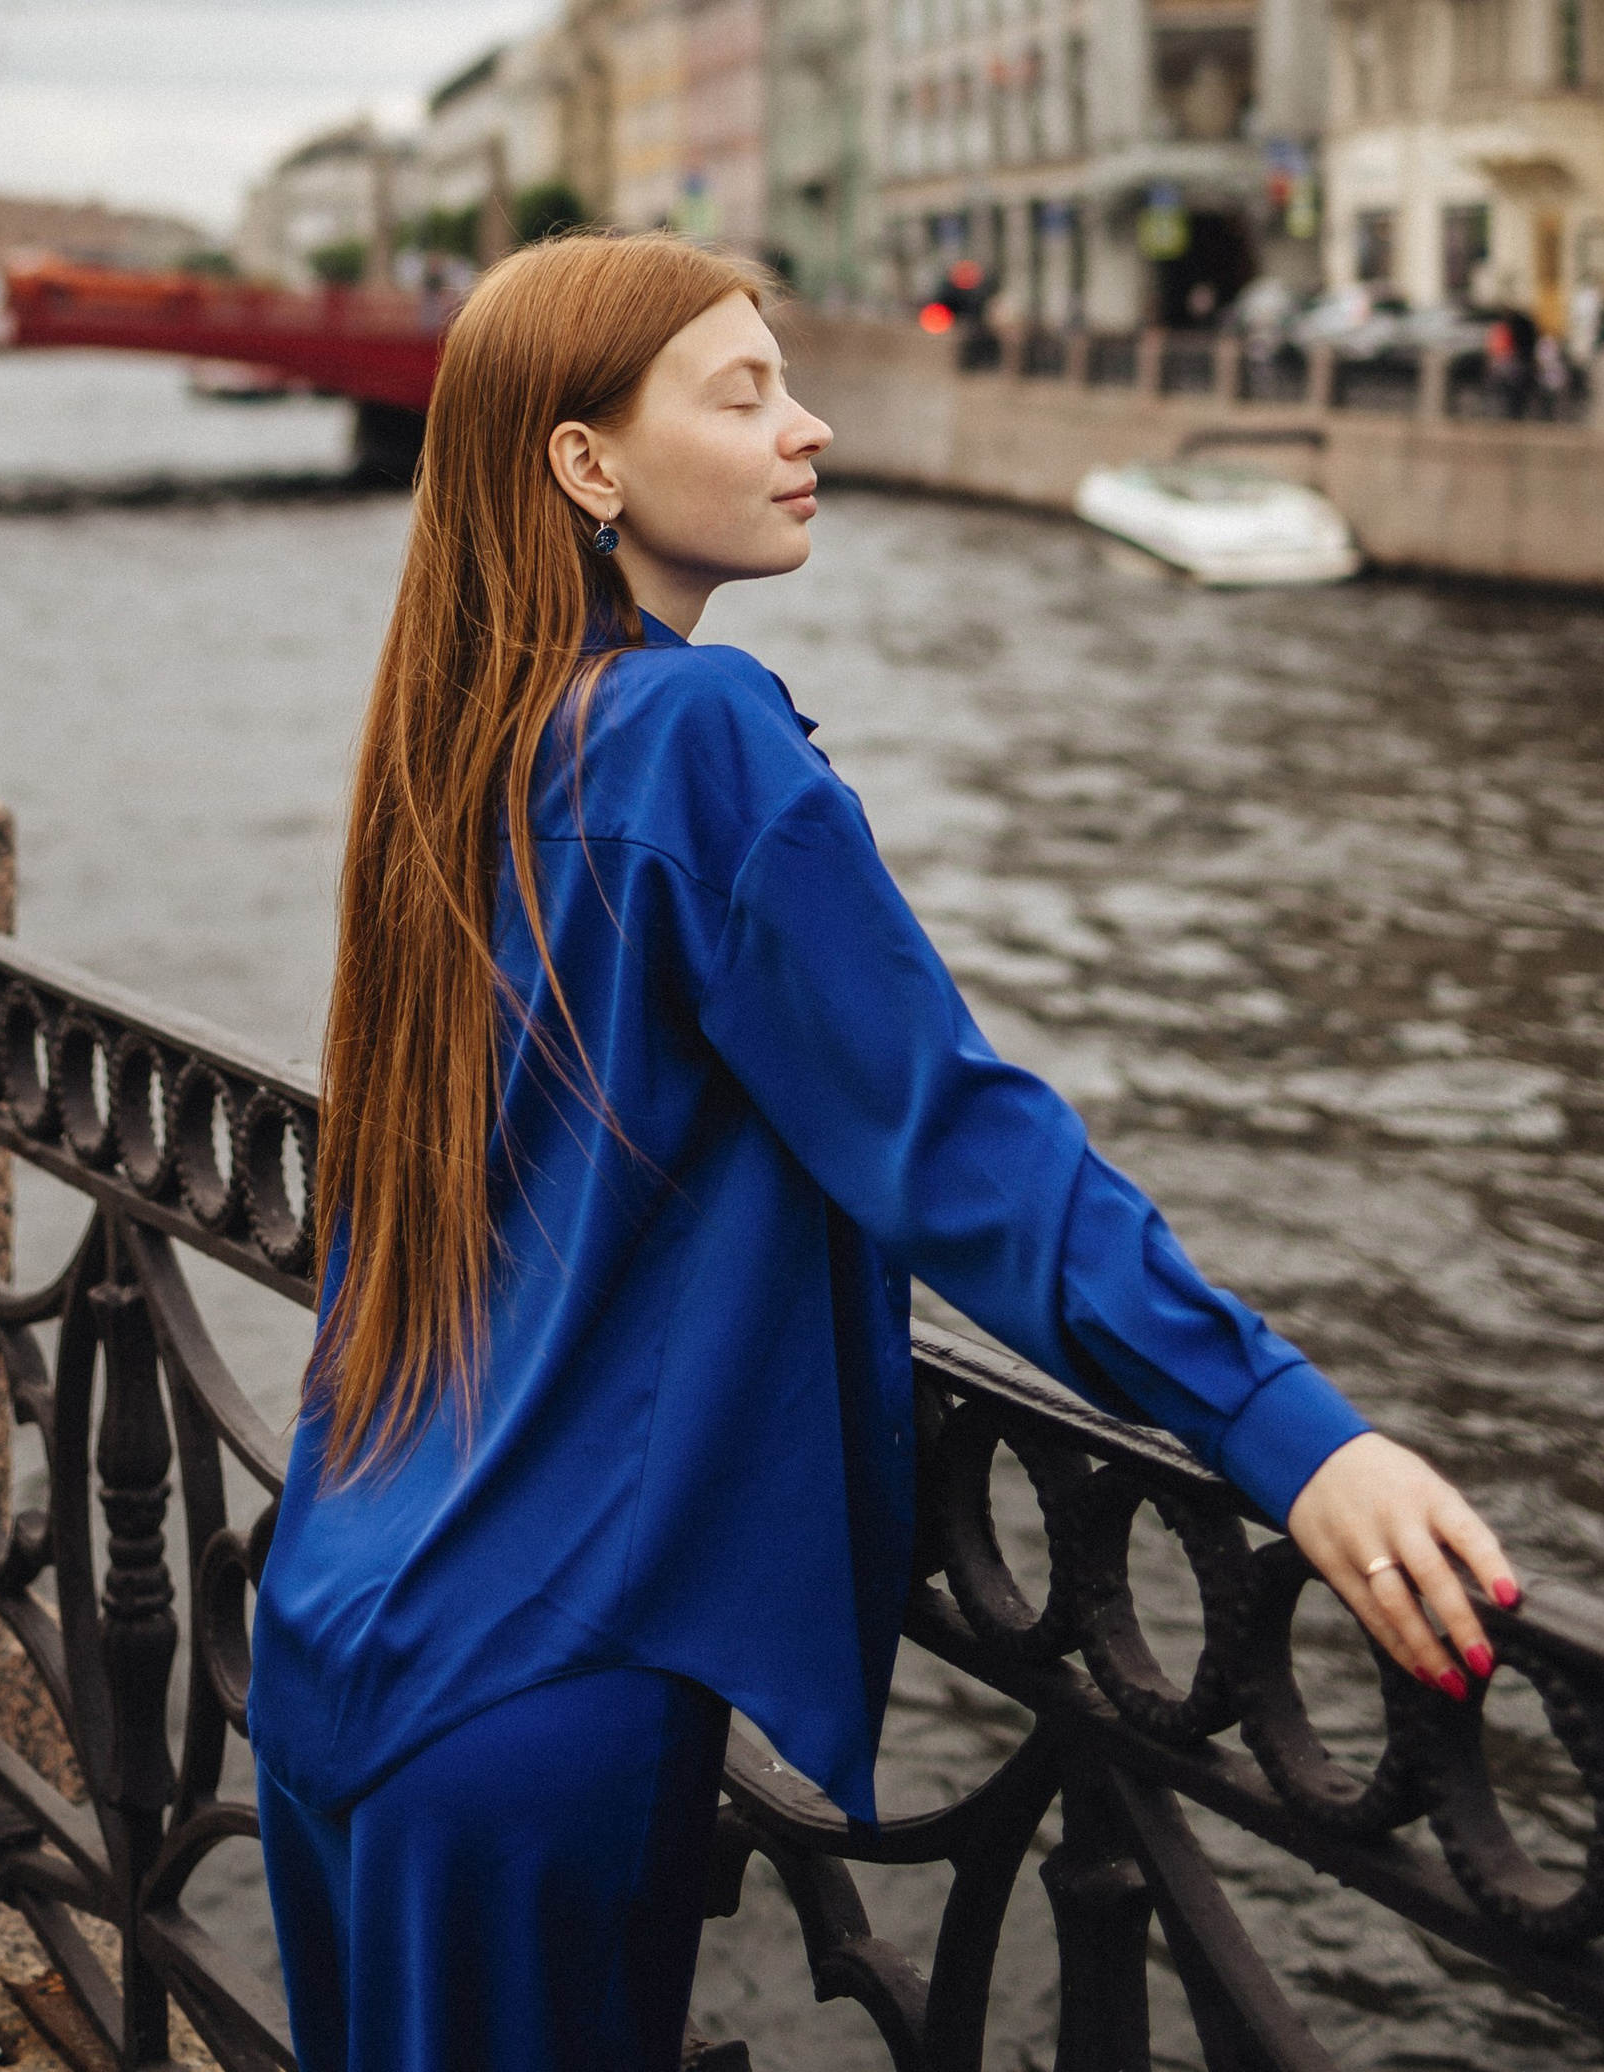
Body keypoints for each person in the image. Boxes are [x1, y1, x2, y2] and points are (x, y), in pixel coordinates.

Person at [248, 234, 1516, 2072]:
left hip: (339, 1633)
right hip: (539, 1691)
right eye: (742, 392)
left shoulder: (455, 748)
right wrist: (1286, 1429)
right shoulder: (695, 730)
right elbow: (958, 1141)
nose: (809, 426)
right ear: (586, 465)